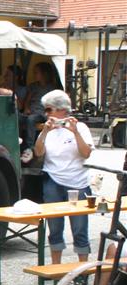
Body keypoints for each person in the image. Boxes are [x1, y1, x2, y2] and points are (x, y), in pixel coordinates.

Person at [33, 90, 94, 264]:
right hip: (53, 180)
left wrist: (75, 132)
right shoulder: (48, 129)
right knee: (55, 227)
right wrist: (44, 131)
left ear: (61, 109)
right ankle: (55, 268)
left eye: (48, 109)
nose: (46, 114)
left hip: (78, 183)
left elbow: (86, 153)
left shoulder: (80, 127)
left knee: (80, 228)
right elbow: (38, 152)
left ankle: (82, 270)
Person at [19, 61, 59, 163]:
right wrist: (27, 108)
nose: (34, 75)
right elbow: (28, 100)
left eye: (36, 72)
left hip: (42, 113)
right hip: (31, 112)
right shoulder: (33, 86)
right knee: (17, 117)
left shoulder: (52, 88)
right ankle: (17, 143)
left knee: (31, 120)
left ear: (44, 74)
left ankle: (29, 147)